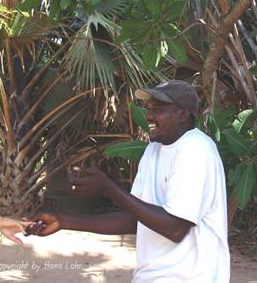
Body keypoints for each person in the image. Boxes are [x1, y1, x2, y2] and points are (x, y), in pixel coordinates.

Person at [29, 80, 230, 282]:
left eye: (158, 110)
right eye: (149, 109)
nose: (149, 116)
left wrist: (108, 188)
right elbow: (136, 219)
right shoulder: (153, 150)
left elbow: (175, 228)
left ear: (182, 115)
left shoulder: (196, 150)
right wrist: (64, 220)